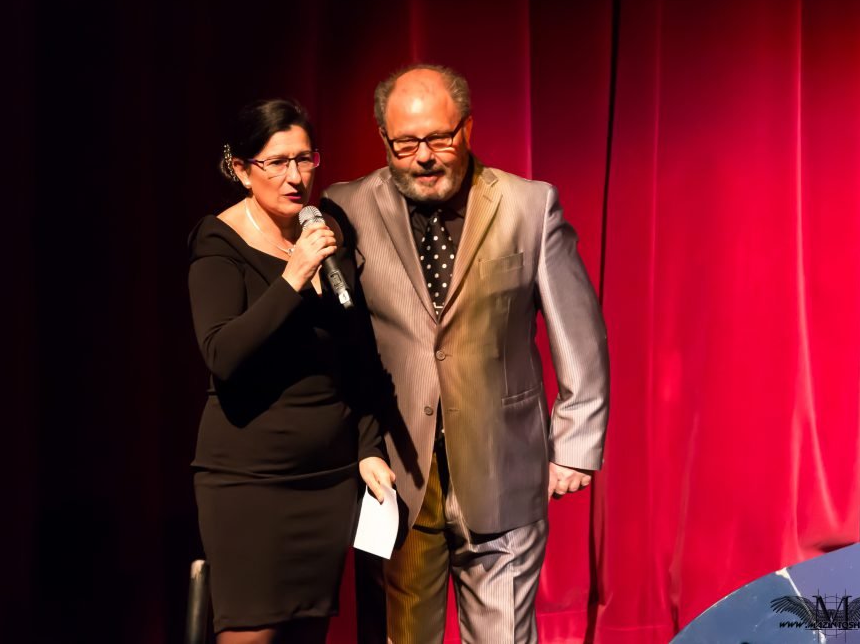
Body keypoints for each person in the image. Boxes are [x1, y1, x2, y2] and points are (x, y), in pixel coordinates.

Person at [321, 65, 610, 643]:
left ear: (468, 128)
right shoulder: (346, 208)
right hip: (397, 476)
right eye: (407, 143)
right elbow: (336, 344)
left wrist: (577, 441)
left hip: (503, 464)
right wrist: (354, 443)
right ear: (384, 139)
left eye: (440, 138)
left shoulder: (529, 205)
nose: (424, 156)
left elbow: (578, 330)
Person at [188, 98, 395, 644]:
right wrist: (293, 276)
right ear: (240, 169)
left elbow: (359, 357)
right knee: (252, 636)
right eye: (276, 162)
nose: (295, 176)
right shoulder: (218, 243)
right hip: (251, 481)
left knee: (307, 635)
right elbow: (223, 355)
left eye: (305, 159)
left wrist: (369, 447)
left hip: (327, 480)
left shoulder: (325, 235)